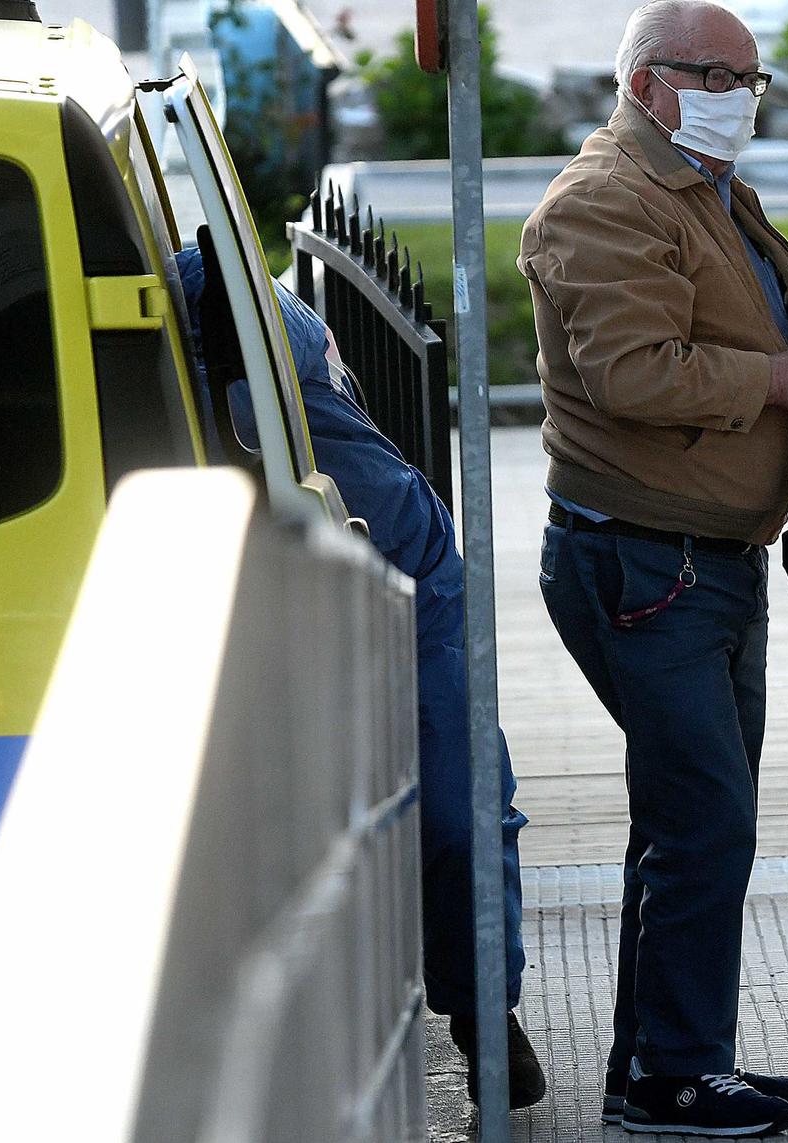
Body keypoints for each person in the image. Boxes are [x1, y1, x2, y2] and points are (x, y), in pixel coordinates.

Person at [516, 1, 788, 1135]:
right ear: (648, 81)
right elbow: (629, 373)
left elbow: (734, 332)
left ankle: (662, 1061)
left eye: (751, 81)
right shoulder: (606, 200)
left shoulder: (698, 185)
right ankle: (670, 1075)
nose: (740, 99)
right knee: (703, 819)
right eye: (719, 76)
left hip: (707, 554)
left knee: (687, 817)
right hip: (644, 559)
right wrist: (781, 386)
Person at [171, 248, 547, 1110]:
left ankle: (487, 1007)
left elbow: (288, 375)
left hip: (402, 572)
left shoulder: (222, 297)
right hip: (269, 596)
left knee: (458, 807)